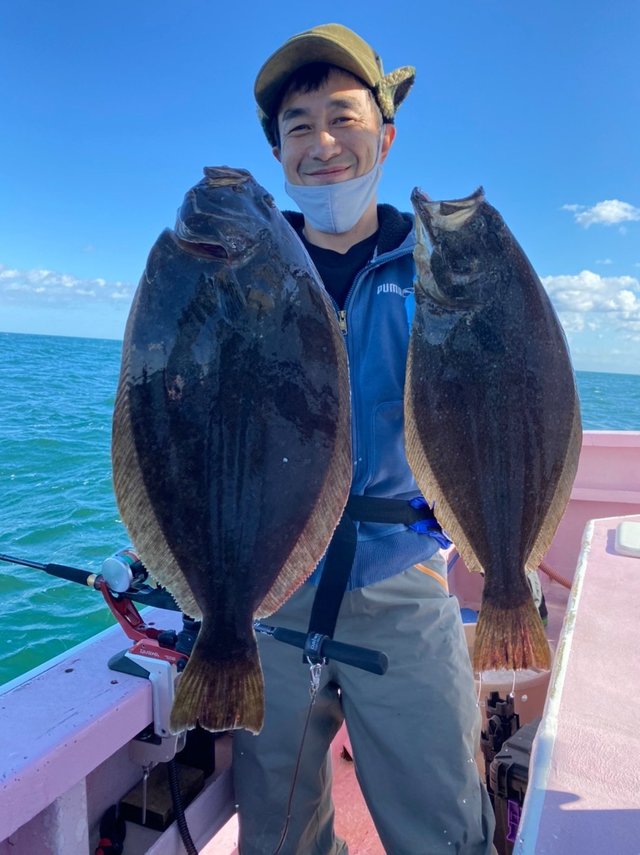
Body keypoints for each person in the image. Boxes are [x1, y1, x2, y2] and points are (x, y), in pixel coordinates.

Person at [232, 23, 496, 855]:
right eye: (298, 127)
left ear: (384, 134)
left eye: (342, 118)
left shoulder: (446, 264)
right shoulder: (244, 269)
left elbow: (499, 411)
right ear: (278, 153)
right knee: (277, 830)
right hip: (271, 586)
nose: (322, 145)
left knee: (443, 825)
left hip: (403, 578)